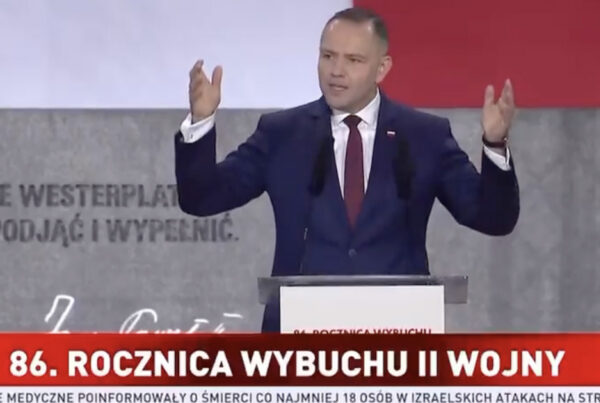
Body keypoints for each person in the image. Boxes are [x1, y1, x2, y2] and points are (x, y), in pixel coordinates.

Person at [174, 7, 520, 332]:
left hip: (397, 338)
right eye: (328, 56)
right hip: (300, 341)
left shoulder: (423, 136)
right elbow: (202, 198)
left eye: (353, 60)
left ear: (382, 68)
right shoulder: (282, 134)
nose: (336, 71)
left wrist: (494, 144)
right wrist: (201, 121)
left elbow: (493, 218)